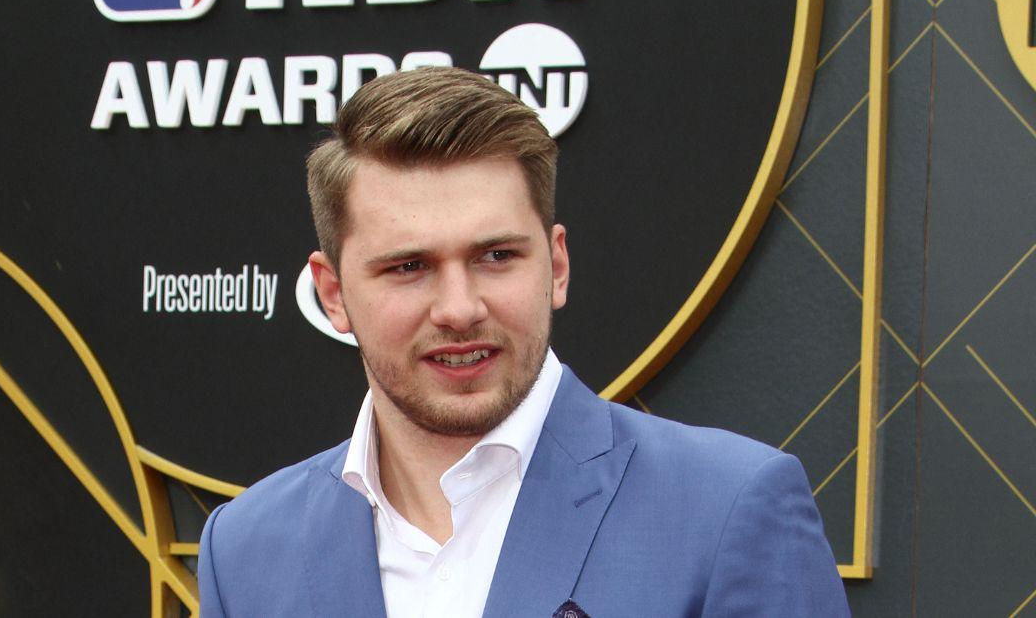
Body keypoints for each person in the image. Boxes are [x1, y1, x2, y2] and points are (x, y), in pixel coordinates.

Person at [198, 66, 849, 617]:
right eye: (408, 267)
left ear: (556, 265)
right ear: (333, 292)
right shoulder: (245, 550)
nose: (459, 309)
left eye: (497, 256)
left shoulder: (728, 508)